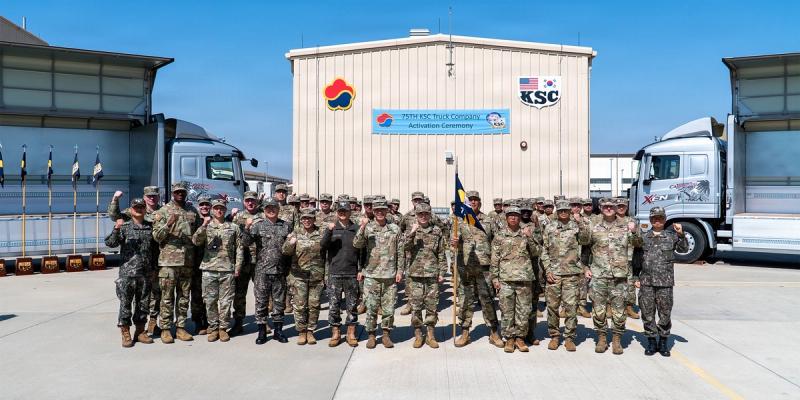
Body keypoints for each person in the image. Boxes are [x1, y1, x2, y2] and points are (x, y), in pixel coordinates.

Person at [584, 198, 641, 355]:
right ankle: (601, 338)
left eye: (612, 206)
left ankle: (617, 340)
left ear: (617, 208)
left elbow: (638, 244)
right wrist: (585, 267)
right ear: (601, 208)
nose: (609, 209)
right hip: (599, 275)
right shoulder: (593, 226)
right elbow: (585, 246)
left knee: (619, 310)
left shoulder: (627, 225)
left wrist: (634, 231)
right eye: (605, 207)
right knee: (599, 309)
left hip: (620, 276)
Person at [451, 191, 503, 348]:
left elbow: (497, 242)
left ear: (480, 203)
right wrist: (454, 242)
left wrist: (496, 267)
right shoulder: (459, 221)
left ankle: (493, 332)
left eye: (476, 200)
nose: (473, 203)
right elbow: (452, 242)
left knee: (487, 300)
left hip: (484, 267)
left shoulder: (488, 221)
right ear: (466, 203)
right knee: (466, 300)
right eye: (470, 200)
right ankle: (465, 331)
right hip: (465, 267)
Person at [108, 186, 162, 336]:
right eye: (136, 207)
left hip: (146, 272)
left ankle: (140, 332)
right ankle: (125, 333)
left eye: (141, 208)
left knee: (143, 303)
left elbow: (157, 246)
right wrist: (116, 228)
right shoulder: (125, 226)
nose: (138, 209)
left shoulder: (150, 227)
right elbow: (111, 243)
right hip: (128, 273)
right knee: (125, 303)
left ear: (145, 209)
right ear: (130, 210)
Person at [152, 182, 202, 344]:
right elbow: (157, 237)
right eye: (177, 192)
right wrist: (168, 224)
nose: (180, 194)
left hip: (187, 262)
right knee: (166, 297)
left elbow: (197, 235)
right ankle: (165, 328)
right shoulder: (163, 211)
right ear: (173, 193)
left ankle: (181, 327)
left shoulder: (192, 211)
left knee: (183, 297)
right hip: (168, 262)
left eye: (182, 192)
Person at [635, 207, 687, 357]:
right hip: (647, 282)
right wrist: (634, 277)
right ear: (650, 220)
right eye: (654, 218)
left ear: (664, 220)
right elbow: (637, 259)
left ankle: (663, 341)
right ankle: (651, 341)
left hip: (665, 282)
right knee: (647, 313)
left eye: (660, 218)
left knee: (665, 313)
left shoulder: (671, 236)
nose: (657, 220)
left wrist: (681, 234)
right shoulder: (644, 238)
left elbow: (684, 249)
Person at [540, 200, 590, 352]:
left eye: (565, 210)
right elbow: (544, 251)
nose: (563, 212)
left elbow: (585, 240)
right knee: (553, 307)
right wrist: (548, 270)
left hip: (571, 274)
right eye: (560, 210)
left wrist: (580, 223)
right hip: (554, 274)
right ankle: (555, 336)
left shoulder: (576, 226)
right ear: (557, 211)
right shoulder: (549, 227)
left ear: (570, 211)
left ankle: (569, 337)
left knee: (571, 307)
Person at [353, 200, 404, 349]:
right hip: (371, 274)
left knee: (389, 309)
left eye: (382, 209)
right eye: (377, 210)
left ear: (386, 211)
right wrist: (362, 228)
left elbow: (401, 251)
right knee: (371, 308)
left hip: (390, 275)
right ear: (373, 211)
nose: (380, 212)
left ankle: (386, 335)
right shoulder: (367, 228)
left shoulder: (395, 229)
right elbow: (357, 244)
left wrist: (400, 270)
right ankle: (371, 335)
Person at [192, 199, 244, 343]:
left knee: (226, 301)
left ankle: (223, 328)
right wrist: (204, 225)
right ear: (212, 210)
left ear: (225, 210)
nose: (219, 211)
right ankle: (213, 328)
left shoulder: (233, 227)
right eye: (216, 208)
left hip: (227, 269)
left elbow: (240, 249)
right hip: (209, 269)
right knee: (210, 301)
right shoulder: (207, 226)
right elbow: (196, 241)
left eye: (221, 208)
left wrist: (238, 267)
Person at [490, 206, 541, 353]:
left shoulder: (526, 233)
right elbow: (495, 259)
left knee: (523, 311)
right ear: (506, 218)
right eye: (510, 215)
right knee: (507, 311)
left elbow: (536, 252)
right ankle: (509, 338)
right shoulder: (499, 236)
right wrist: (494, 278)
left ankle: (520, 337)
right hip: (505, 279)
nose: (513, 218)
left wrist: (530, 237)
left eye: (516, 216)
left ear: (520, 218)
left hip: (524, 279)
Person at [243, 198, 293, 345]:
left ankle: (278, 331)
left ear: (278, 209)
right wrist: (246, 228)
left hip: (279, 271)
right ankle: (262, 331)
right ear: (264, 210)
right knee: (261, 302)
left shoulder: (286, 226)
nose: (271, 210)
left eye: (273, 208)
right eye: (268, 208)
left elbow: (291, 249)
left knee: (279, 303)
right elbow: (246, 243)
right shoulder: (258, 226)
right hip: (262, 271)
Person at [403, 203, 447, 349]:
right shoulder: (411, 230)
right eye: (420, 214)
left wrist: (442, 272)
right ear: (416, 215)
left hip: (432, 274)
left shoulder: (436, 231)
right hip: (415, 275)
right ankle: (417, 335)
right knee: (416, 306)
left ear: (430, 215)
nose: (423, 216)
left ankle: (430, 335)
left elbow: (441, 253)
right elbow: (404, 247)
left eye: (425, 214)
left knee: (432, 306)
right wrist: (412, 233)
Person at [282, 209, 325, 345]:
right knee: (300, 305)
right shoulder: (295, 233)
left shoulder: (320, 233)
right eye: (304, 218)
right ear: (301, 220)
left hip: (316, 276)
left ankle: (310, 331)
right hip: (298, 276)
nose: (307, 220)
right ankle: (301, 331)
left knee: (314, 305)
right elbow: (285, 251)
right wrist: (291, 243)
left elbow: (327, 254)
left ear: (314, 219)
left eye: (309, 218)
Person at [322, 201, 361, 347]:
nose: (342, 213)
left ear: (350, 212)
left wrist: (361, 269)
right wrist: (328, 231)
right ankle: (336, 333)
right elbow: (323, 245)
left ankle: (351, 333)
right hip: (335, 273)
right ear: (337, 212)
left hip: (351, 273)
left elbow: (362, 251)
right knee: (334, 305)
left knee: (352, 305)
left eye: (345, 210)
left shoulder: (355, 228)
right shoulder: (332, 227)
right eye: (340, 211)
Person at [229, 191, 264, 336]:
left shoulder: (263, 217)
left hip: (260, 261)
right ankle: (238, 322)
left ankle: (262, 322)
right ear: (244, 202)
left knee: (261, 293)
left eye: (253, 200)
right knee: (239, 293)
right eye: (248, 200)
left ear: (257, 202)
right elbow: (232, 237)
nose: (250, 203)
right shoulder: (238, 217)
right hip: (243, 261)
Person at [190, 196, 211, 336]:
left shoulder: (216, 219)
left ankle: (210, 321)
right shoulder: (194, 220)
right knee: (197, 295)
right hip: (196, 263)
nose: (204, 207)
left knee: (210, 295)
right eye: (202, 205)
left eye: (207, 205)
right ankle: (198, 322)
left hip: (211, 263)